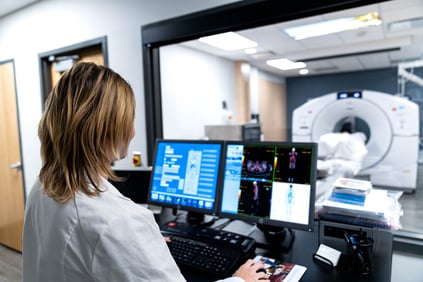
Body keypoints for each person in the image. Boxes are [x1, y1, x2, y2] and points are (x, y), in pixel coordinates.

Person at [22, 62, 269, 282]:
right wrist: (241, 280)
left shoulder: (42, 186)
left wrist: (139, 247)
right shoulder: (119, 220)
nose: (133, 132)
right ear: (107, 129)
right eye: (128, 120)